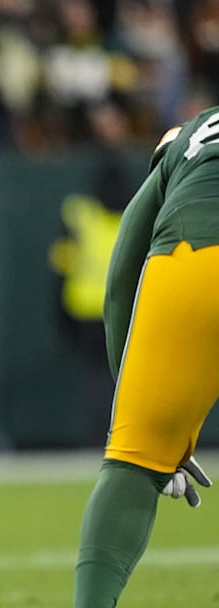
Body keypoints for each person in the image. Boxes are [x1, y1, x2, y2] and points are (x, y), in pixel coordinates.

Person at [73, 107, 219, 607]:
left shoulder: (191, 136)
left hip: (191, 257)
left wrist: (140, 412)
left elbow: (120, 278)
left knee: (132, 464)